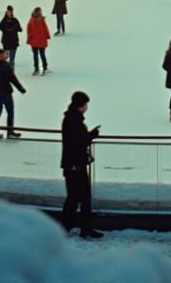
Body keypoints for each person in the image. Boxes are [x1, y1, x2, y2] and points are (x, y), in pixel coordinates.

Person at [61, 91, 103, 238]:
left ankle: (76, 228)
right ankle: (76, 228)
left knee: (77, 198)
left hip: (72, 165)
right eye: (86, 104)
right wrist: (92, 135)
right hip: (75, 166)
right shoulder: (74, 121)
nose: (87, 107)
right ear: (81, 105)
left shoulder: (71, 118)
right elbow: (80, 142)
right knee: (78, 198)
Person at [0, 48, 25, 138]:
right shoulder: (7, 67)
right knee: (10, 112)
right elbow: (13, 79)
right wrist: (21, 89)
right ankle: (10, 132)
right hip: (6, 93)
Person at [27, 7, 51, 75]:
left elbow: (29, 30)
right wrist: (47, 36)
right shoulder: (41, 20)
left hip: (34, 41)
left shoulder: (31, 20)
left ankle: (36, 68)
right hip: (42, 40)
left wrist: (29, 38)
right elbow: (45, 29)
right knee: (42, 54)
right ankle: (45, 67)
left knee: (35, 55)